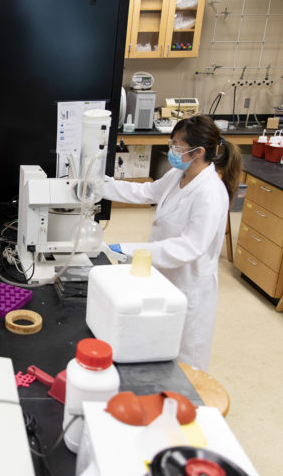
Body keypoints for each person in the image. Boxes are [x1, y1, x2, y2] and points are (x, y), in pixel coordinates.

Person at [102, 115, 241, 370]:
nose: (172, 150)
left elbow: (188, 247)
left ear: (198, 152)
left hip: (189, 287)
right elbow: (147, 192)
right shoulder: (179, 174)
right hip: (163, 277)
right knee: (157, 346)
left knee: (184, 363)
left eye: (177, 145)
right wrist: (101, 186)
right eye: (172, 143)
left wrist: (129, 250)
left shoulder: (210, 194)